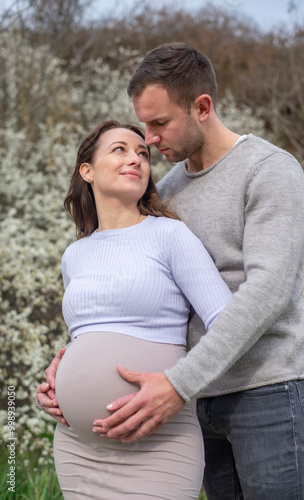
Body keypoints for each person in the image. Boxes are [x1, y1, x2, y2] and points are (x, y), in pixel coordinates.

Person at [37, 44, 304, 500]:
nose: (147, 140)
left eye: (159, 123)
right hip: (194, 398)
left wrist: (177, 383)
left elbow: (267, 292)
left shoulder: (269, 171)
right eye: (142, 124)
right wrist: (69, 365)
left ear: (201, 107)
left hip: (264, 389)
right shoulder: (166, 191)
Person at [41, 119, 233, 499]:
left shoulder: (169, 234)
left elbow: (228, 323)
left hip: (158, 441)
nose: (136, 159)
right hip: (79, 448)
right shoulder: (75, 254)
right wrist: (55, 382)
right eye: (120, 150)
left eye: (143, 154)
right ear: (88, 171)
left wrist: (178, 386)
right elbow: (87, 336)